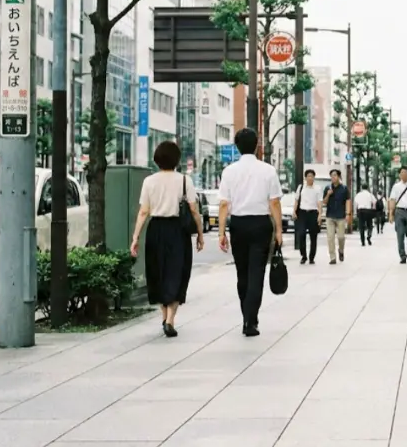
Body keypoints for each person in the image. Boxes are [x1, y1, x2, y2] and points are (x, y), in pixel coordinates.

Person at [131, 141, 204, 338]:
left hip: (156, 229)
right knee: (177, 272)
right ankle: (171, 318)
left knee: (158, 271)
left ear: (157, 159)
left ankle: (164, 317)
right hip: (178, 230)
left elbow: (144, 212)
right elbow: (194, 210)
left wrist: (135, 237)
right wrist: (200, 234)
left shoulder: (149, 181)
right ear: (176, 159)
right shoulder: (184, 181)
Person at [217, 128, 284, 337]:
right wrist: (279, 230)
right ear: (257, 145)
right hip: (261, 224)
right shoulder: (268, 170)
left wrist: (221, 232)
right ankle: (251, 320)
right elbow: (274, 202)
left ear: (237, 147)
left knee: (242, 273)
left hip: (238, 224)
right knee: (257, 273)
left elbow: (223, 204)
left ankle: (246, 316)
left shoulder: (229, 171)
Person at [293, 169, 323, 264]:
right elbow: (297, 200)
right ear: (305, 178)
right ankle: (303, 255)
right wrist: (294, 211)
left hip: (313, 213)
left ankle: (311, 257)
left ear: (314, 177)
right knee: (301, 234)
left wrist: (320, 215)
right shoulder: (301, 187)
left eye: (312, 176)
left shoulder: (317, 188)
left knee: (313, 236)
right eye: (308, 176)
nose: (310, 178)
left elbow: (319, 202)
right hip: (302, 213)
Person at [323, 169, 351, 264]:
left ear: (339, 176)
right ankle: (332, 257)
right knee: (330, 237)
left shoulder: (344, 188)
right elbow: (324, 202)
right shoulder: (327, 188)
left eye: (335, 175)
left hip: (341, 216)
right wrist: (328, 195)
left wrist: (348, 213)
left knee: (341, 237)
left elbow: (348, 201)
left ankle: (341, 250)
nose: (333, 177)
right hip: (330, 215)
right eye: (331, 176)